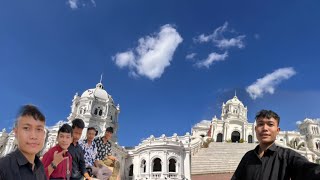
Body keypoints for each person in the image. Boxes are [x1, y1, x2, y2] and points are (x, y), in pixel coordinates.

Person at [232, 109, 320, 180]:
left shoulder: (288, 156)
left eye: (270, 124)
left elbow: (308, 169)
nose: (265, 128)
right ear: (255, 129)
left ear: (278, 130)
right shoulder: (247, 156)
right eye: (260, 124)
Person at [0, 105, 47, 180]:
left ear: (44, 135)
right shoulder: (3, 167)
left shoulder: (40, 168)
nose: (33, 136)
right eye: (26, 128)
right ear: (16, 132)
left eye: (39, 129)